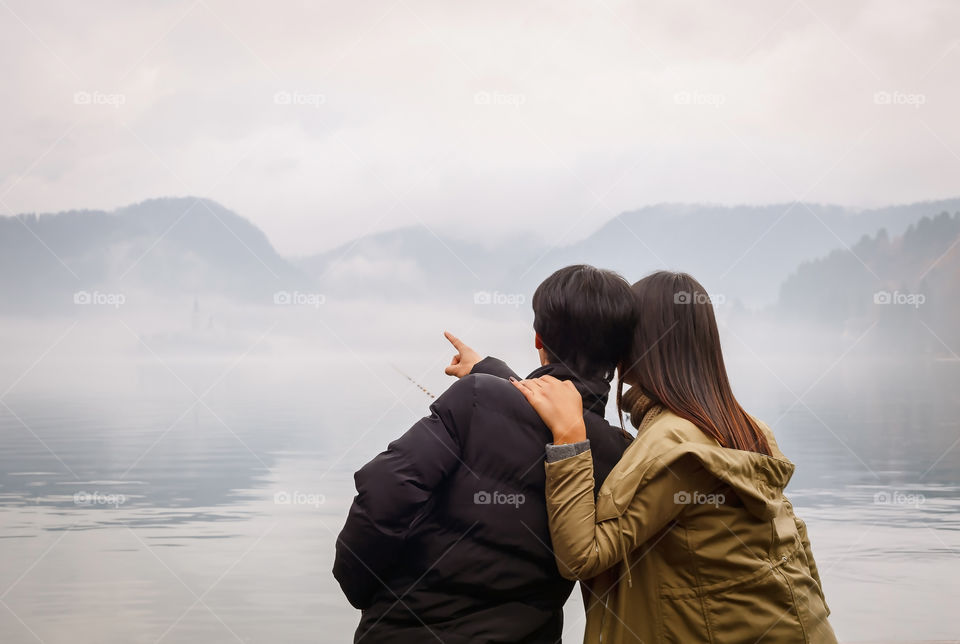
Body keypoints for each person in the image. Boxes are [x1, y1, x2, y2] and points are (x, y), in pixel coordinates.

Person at [513, 270, 837, 643]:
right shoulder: (742, 427)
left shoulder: (673, 446)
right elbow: (799, 538)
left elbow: (581, 555)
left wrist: (569, 439)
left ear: (638, 345)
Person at [333, 265, 636, 643]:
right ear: (621, 355)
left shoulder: (477, 399)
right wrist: (490, 371)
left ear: (539, 337)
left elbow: (384, 489)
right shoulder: (623, 456)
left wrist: (362, 588)